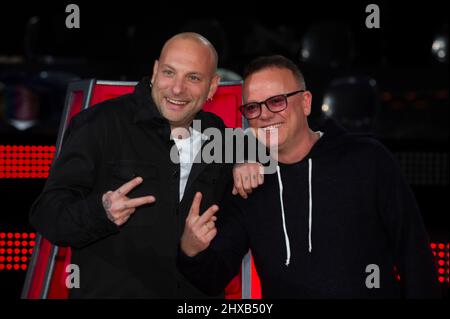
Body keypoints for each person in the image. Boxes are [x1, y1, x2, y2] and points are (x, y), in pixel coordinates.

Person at [178, 55, 440, 298]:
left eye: (277, 101)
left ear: (305, 103)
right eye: (253, 107)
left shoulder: (368, 160)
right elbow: (213, 278)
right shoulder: (249, 183)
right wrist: (191, 250)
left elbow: (414, 257)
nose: (265, 114)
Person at [29, 32, 257, 298]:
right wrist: (100, 214)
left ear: (213, 86)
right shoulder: (100, 124)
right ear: (155, 70)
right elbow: (46, 215)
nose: (177, 89)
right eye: (170, 73)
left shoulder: (217, 133)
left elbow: (269, 147)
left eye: (193, 78)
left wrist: (247, 156)